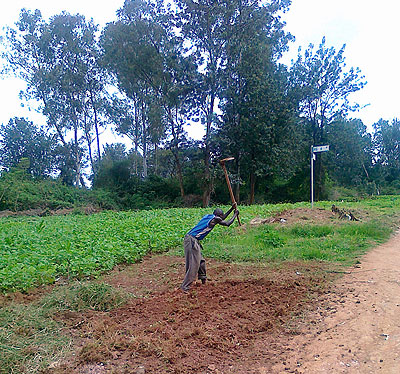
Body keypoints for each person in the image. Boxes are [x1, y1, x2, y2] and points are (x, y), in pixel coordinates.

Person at [180, 204, 239, 292]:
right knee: (194, 264)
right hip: (192, 240)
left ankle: (203, 280)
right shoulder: (215, 218)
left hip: (192, 239)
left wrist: (231, 209)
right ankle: (185, 286)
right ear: (218, 215)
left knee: (201, 261)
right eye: (221, 216)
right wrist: (235, 214)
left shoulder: (209, 216)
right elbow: (227, 223)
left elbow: (222, 218)